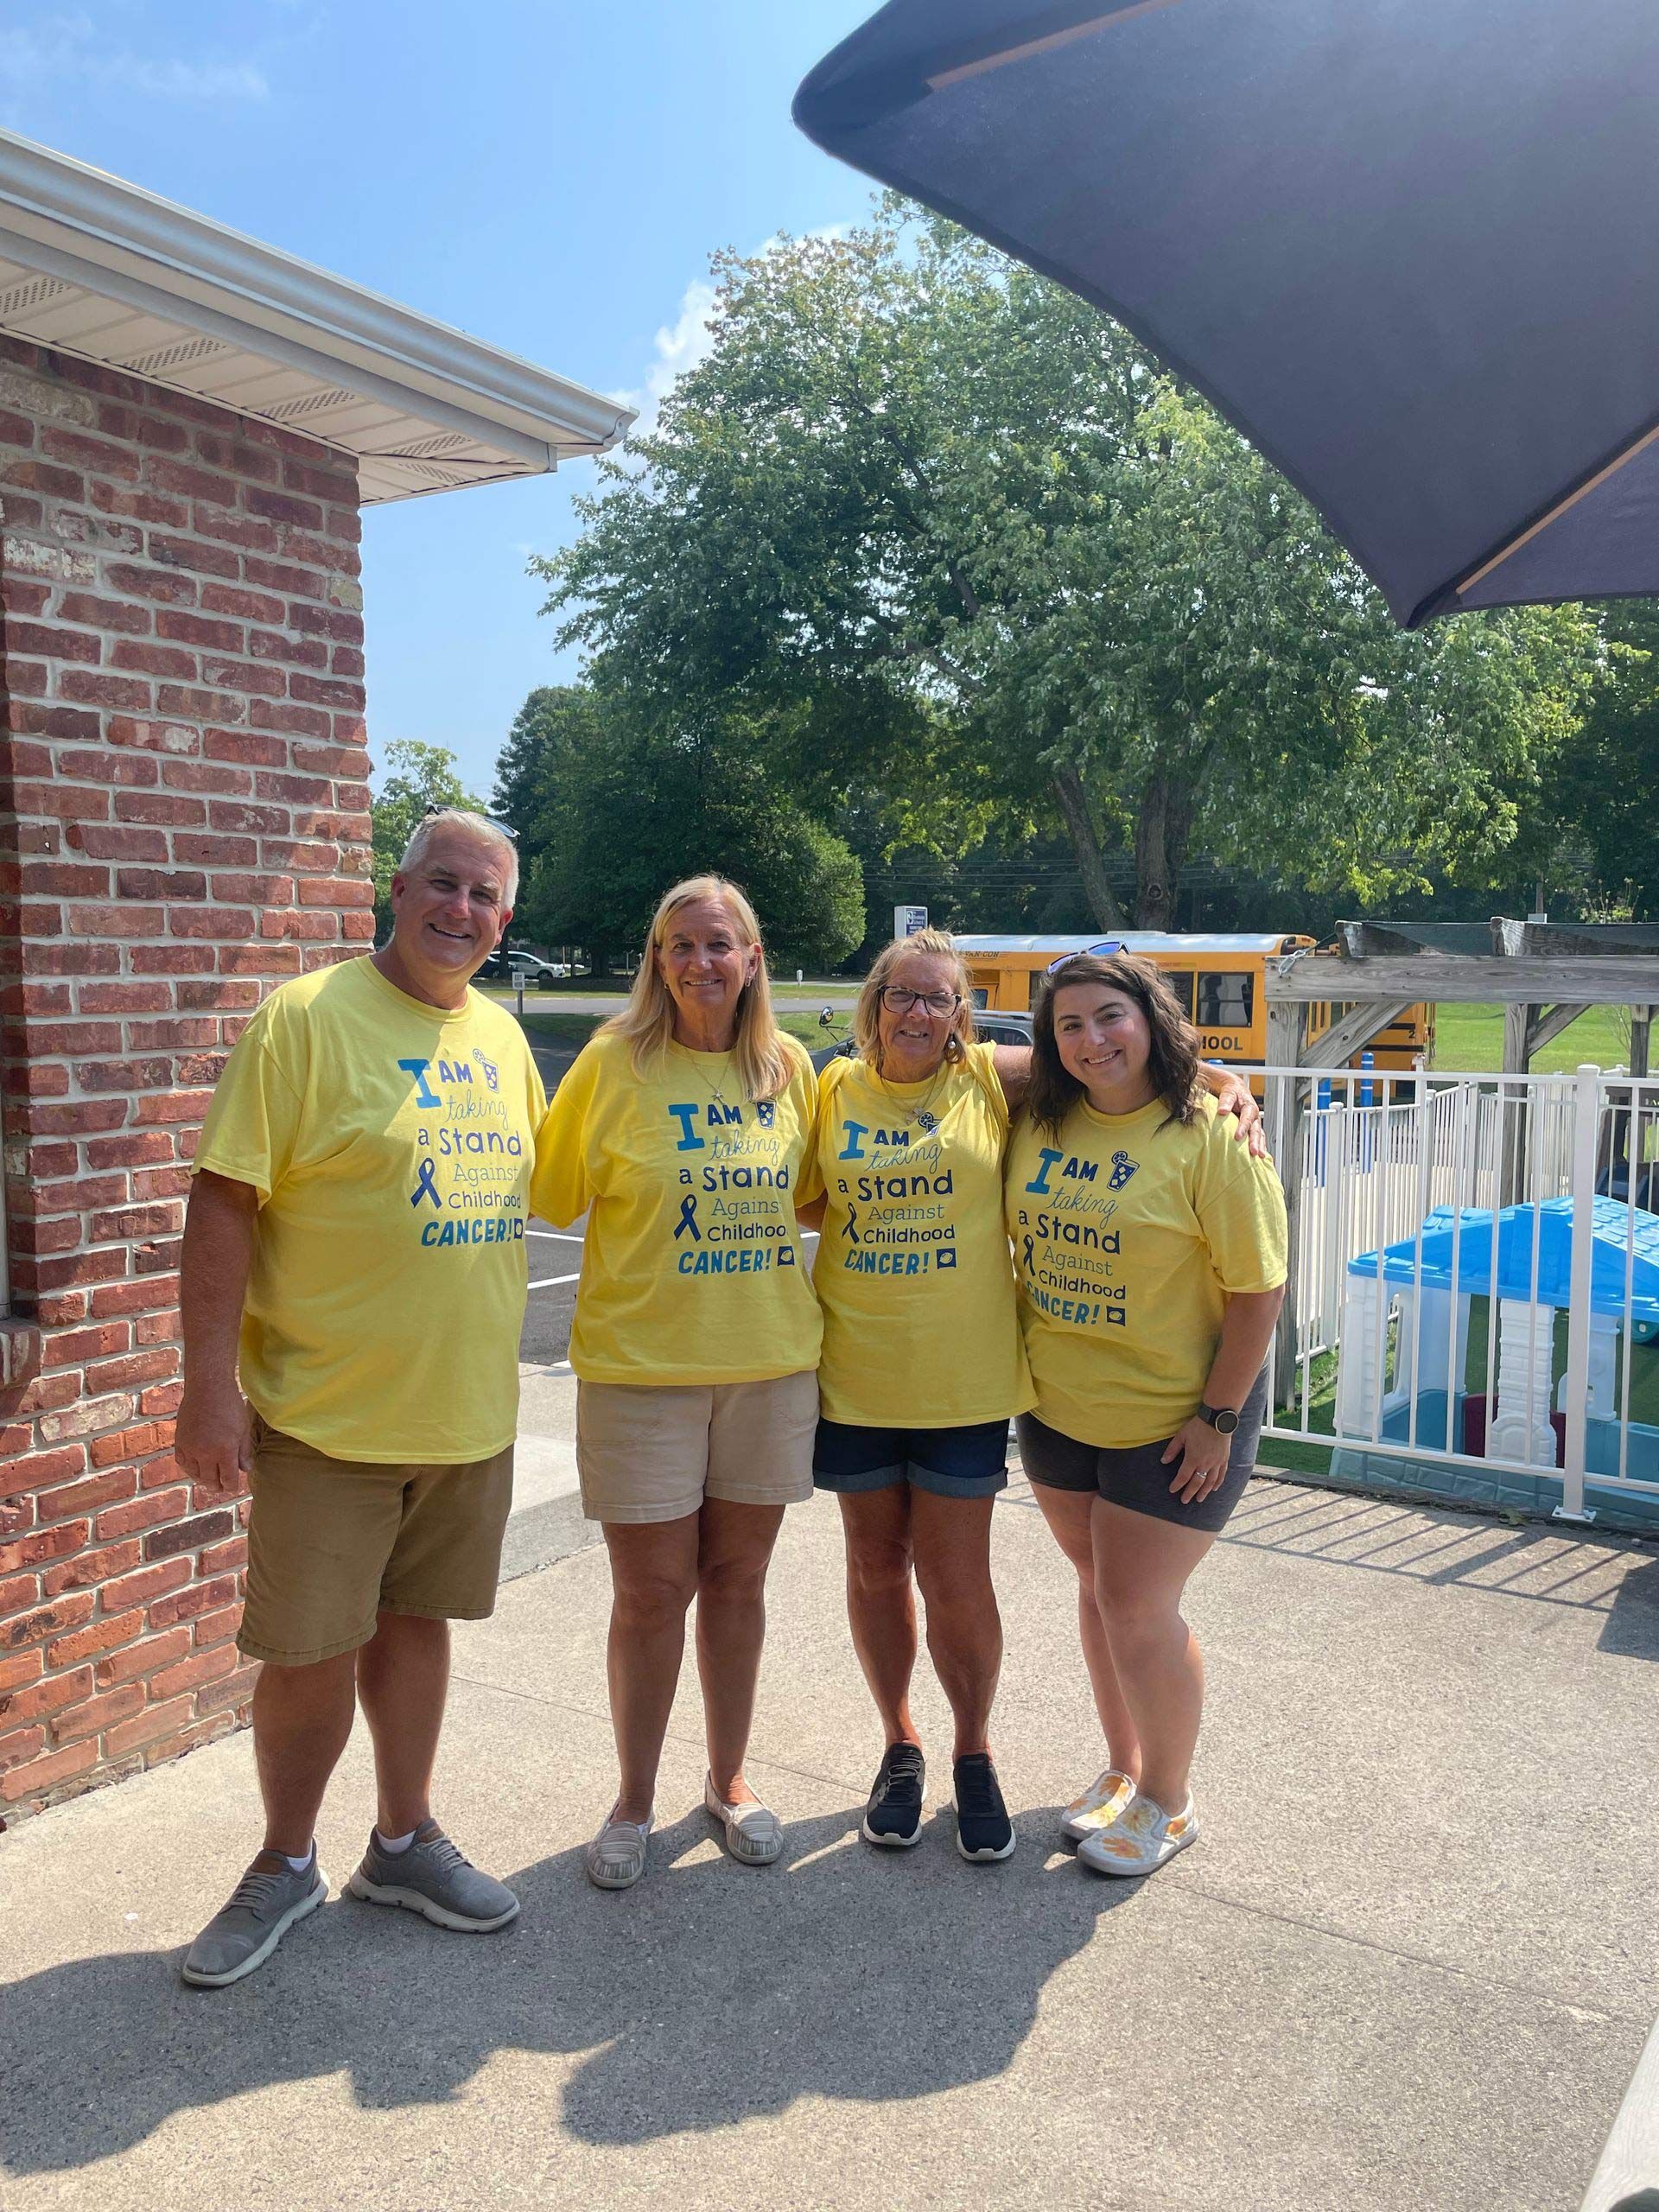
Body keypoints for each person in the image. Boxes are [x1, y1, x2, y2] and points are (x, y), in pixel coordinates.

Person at [174, 809, 543, 1986]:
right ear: (398, 886)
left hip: (465, 1416)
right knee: (309, 1655)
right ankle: (286, 1862)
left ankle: (403, 1839)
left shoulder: (503, 1039)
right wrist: (207, 1389)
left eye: (486, 897)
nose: (463, 911)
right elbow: (223, 1202)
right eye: (445, 884)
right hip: (323, 1419)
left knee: (418, 1630)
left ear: (506, 918)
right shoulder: (306, 1020)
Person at [805, 931, 1268, 1866]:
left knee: (992, 1582)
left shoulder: (988, 1080)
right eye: (901, 994)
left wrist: (1224, 1084)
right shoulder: (834, 1090)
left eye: (938, 999)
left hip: (994, 1385)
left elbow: (1110, 1045)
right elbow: (809, 1197)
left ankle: (1010, 1760)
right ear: (874, 1001)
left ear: (961, 1019)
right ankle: (918, 1747)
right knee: (886, 1570)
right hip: (905, 1380)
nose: (917, 1012)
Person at [532, 875, 822, 1890]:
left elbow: (835, 1182)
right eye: (678, 946)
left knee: (738, 1585)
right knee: (651, 1595)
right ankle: (633, 1797)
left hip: (769, 1371)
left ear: (753, 958)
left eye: (719, 944)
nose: (701, 963)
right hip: (642, 1376)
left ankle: (730, 1779)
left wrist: (1215, 1084)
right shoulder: (615, 1065)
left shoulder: (790, 1070)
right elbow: (548, 1191)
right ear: (657, 961)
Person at [1007, 951, 1286, 1878]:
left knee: (1137, 1604)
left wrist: (1217, 1415)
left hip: (1180, 1416)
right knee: (1099, 1592)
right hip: (1058, 1405)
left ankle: (1170, 1799)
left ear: (1150, 1017)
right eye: (1070, 1025)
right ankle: (1124, 1769)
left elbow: (1257, 1290)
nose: (1093, 1040)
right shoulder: (1039, 1115)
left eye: (1110, 1016)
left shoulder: (1211, 1134)